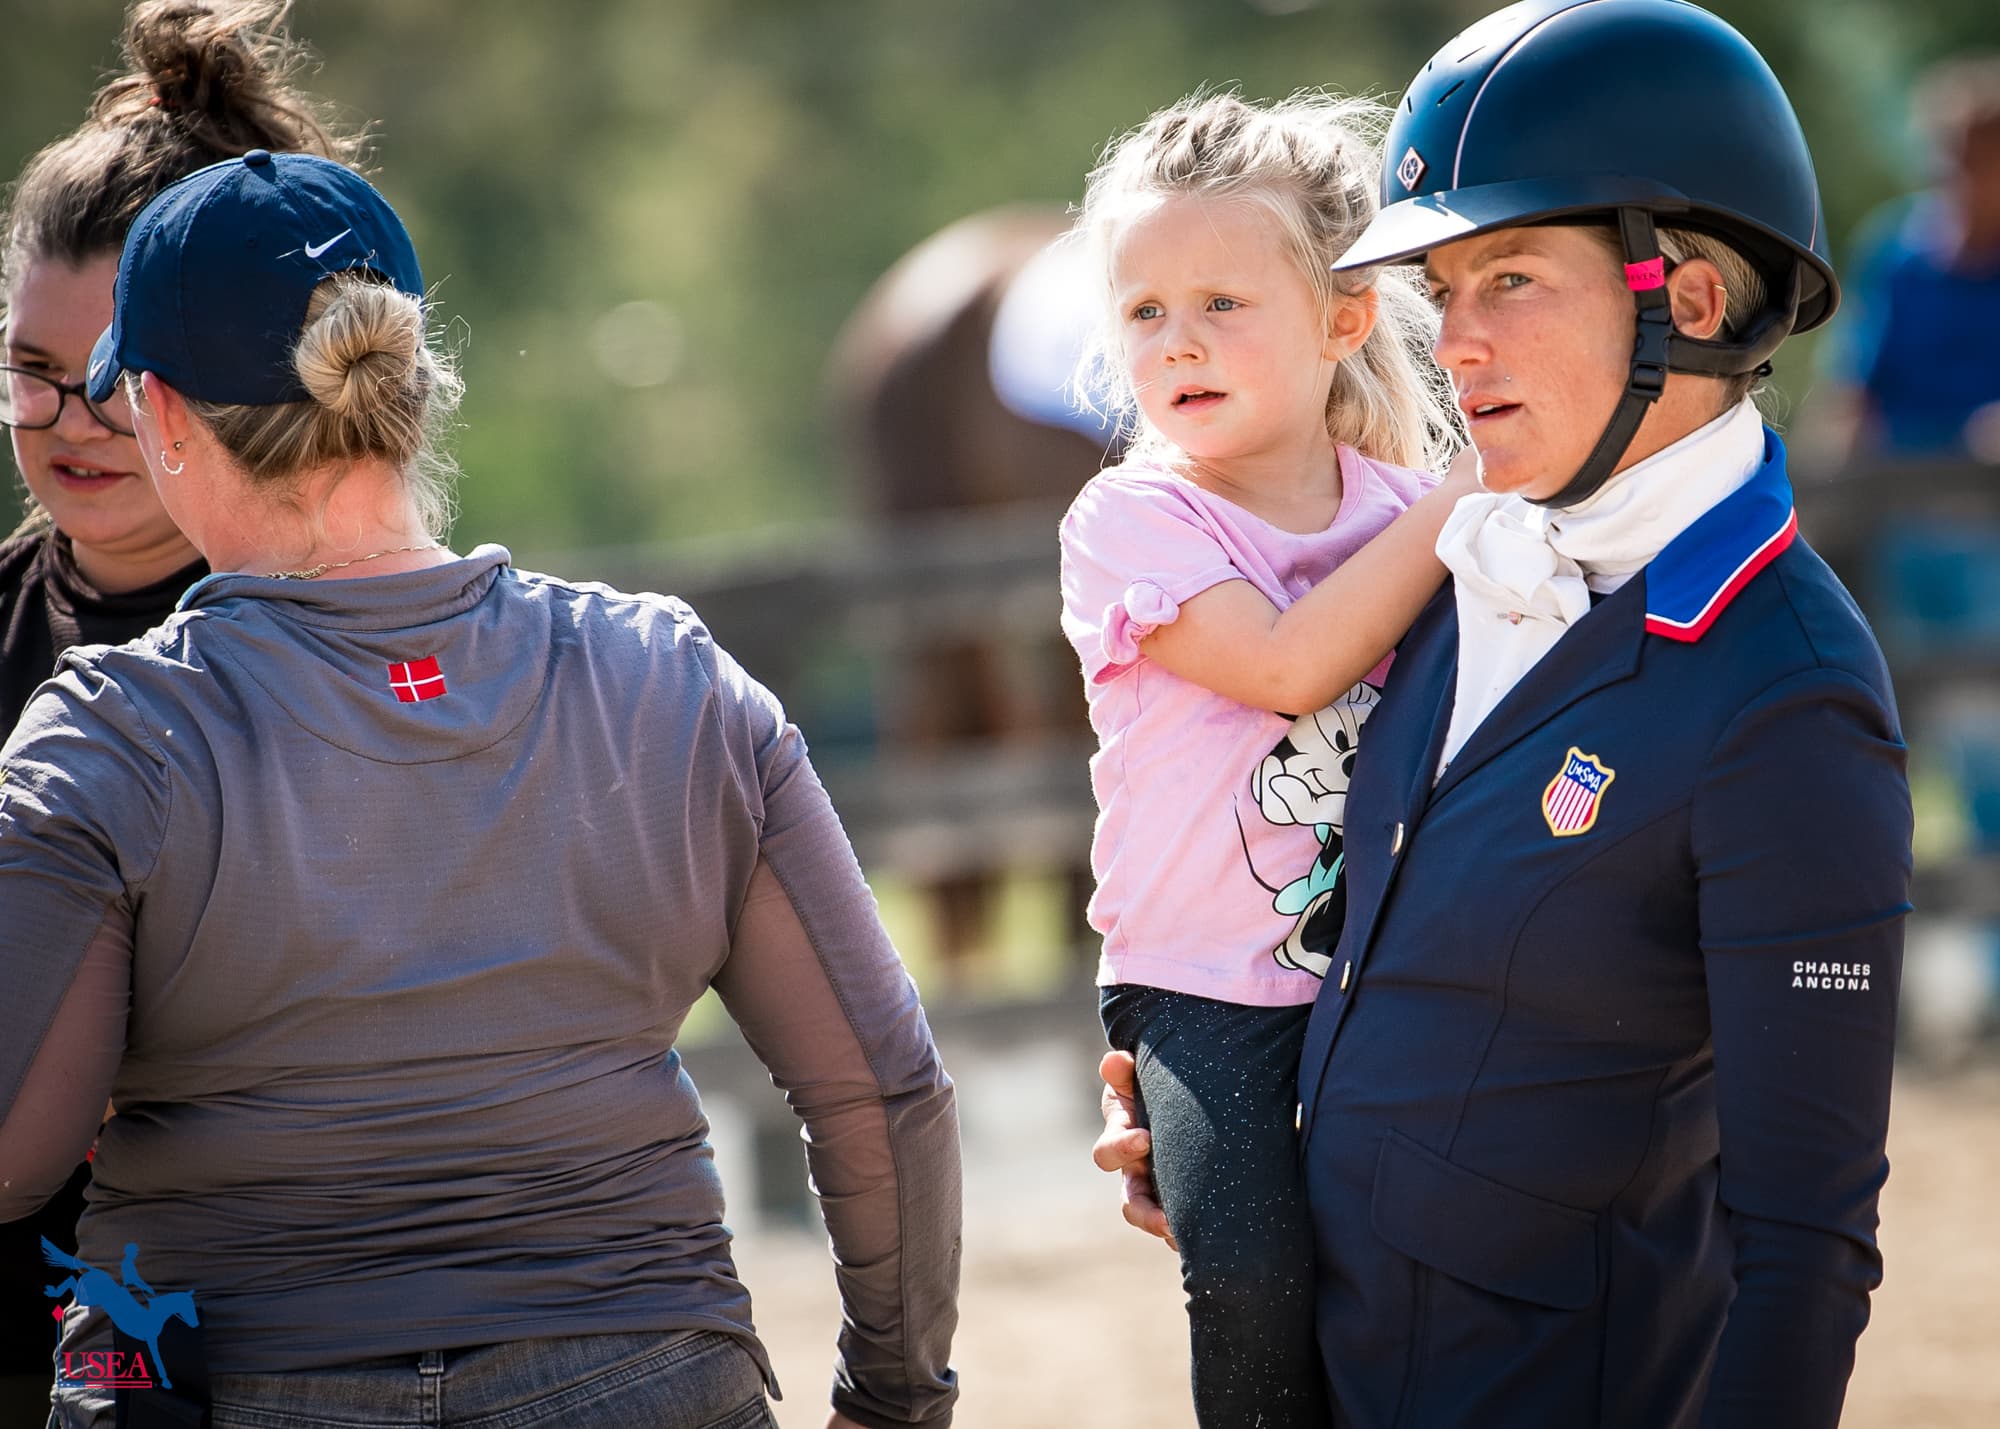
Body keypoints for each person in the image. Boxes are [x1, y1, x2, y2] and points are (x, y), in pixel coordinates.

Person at [0, 150, 959, 1429]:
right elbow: (883, 1088)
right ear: (408, 387)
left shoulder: (111, 733)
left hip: (244, 1377)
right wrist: (893, 1399)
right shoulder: (668, 679)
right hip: (643, 1373)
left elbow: (14, 1145)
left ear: (162, 415)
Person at [1097, 3, 1912, 1425]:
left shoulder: (1788, 695)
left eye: (1512, 279)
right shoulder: (1439, 568)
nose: (1453, 344)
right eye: (1443, 289)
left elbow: (1805, 1245)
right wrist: (1212, 1113)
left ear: (1689, 302)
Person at [1058, 90, 1470, 1427]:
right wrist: (1471, 498)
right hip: (1203, 992)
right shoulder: (1131, 518)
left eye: (1222, 302)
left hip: (1393, 965)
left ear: (1345, 316)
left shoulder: (1410, 511)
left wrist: (1454, 510)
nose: (1176, 340)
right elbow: (1289, 665)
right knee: (1247, 1278)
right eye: (1143, 310)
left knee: (1416, 1267)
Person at [0, 3, 364, 1421]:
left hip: (288, 1330)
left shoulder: (345, 626)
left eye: (108, 379)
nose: (69, 423)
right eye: (31, 374)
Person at [1819, 53, 2000, 461]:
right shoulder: (1895, 255)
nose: (1964, 180)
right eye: (1953, 160)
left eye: (1983, 164)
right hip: (1901, 478)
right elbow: (1851, 393)